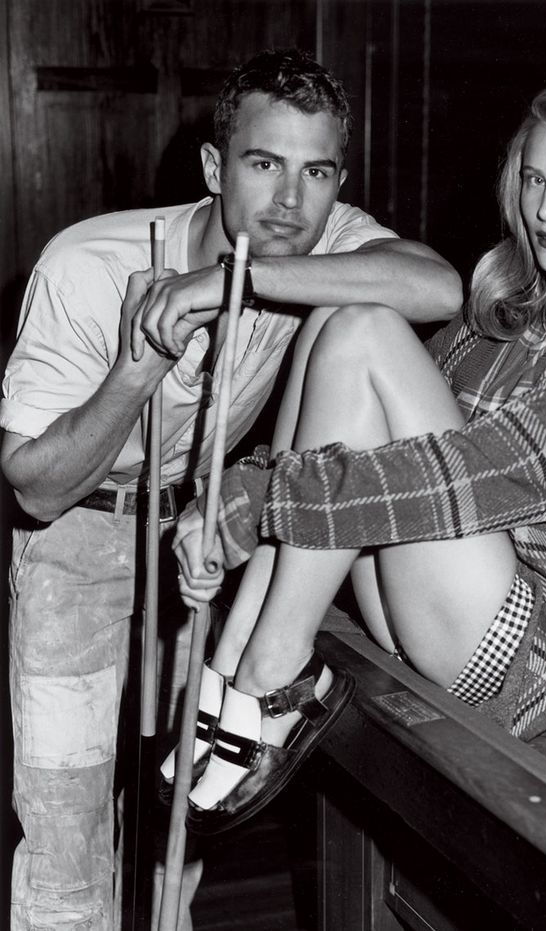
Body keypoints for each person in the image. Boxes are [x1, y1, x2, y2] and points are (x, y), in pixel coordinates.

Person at [0, 48, 460, 931]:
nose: (291, 201)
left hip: (198, 532)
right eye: (263, 164)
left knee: (183, 816)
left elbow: (436, 286)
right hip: (81, 538)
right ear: (215, 168)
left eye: (315, 170)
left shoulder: (321, 241)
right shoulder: (85, 265)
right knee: (66, 829)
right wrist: (137, 372)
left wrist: (235, 281)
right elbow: (34, 492)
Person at [164, 74, 546, 835]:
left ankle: (272, 669)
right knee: (343, 320)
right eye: (536, 179)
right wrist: (250, 501)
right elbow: (359, 433)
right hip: (429, 599)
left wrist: (262, 495)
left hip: (525, 654)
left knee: (368, 330)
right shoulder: (500, 308)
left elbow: (468, 478)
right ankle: (241, 649)